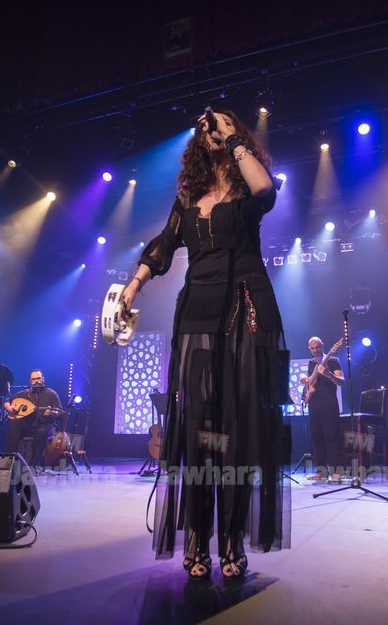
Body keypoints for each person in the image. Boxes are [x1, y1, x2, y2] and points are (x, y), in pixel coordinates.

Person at [120, 109, 290, 581]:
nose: (211, 131)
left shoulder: (248, 186)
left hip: (246, 305)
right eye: (206, 129)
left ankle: (232, 537)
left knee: (237, 426)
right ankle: (197, 535)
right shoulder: (188, 196)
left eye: (220, 125)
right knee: (199, 427)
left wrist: (233, 139)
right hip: (197, 307)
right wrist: (132, 286)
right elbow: (164, 243)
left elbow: (265, 189)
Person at [300, 336, 346, 482]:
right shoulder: (311, 363)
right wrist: (306, 382)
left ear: (323, 345)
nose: (315, 350)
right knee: (317, 437)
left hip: (329, 404)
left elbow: (341, 382)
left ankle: (336, 472)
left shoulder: (333, 360)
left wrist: (328, 374)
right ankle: (321, 472)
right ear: (309, 348)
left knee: (331, 437)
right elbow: (310, 381)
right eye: (312, 348)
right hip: (314, 404)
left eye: (317, 347)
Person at [3, 370, 62, 467]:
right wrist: (8, 407)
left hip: (46, 425)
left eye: (38, 378)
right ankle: (10, 459)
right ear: (30, 381)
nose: (36, 381)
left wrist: (52, 414)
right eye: (34, 379)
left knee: (41, 431)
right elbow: (7, 400)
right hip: (29, 426)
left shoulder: (51, 394)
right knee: (13, 423)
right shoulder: (25, 394)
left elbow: (59, 412)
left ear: (43, 379)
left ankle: (34, 464)